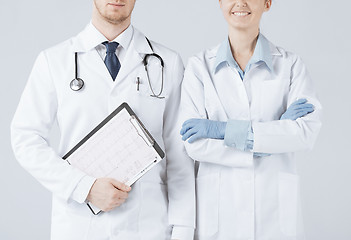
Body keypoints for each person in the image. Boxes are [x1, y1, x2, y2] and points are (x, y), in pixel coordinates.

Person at [11, 0, 195, 239]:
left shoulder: (167, 62)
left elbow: (179, 153)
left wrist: (183, 229)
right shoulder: (54, 61)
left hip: (148, 225)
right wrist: (83, 187)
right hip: (80, 225)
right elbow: (25, 138)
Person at [180, 0, 322, 239]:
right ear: (220, 2)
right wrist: (273, 135)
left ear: (267, 3)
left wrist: (223, 131)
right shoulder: (198, 67)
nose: (240, 3)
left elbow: (305, 133)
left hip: (274, 216)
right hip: (219, 214)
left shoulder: (291, 65)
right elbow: (194, 144)